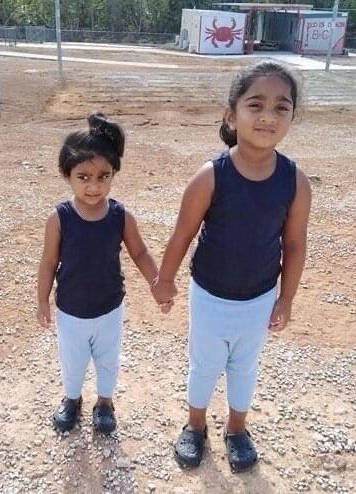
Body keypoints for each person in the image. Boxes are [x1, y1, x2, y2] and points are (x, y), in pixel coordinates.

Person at [152, 62, 311, 472]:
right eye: (255, 104)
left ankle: (237, 429)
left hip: (258, 298)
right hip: (209, 295)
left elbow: (294, 244)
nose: (267, 116)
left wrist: (286, 299)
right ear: (231, 116)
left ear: (292, 117)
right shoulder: (210, 177)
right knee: (204, 364)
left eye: (281, 107)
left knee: (245, 366)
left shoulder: (295, 182)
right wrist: (164, 280)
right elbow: (182, 235)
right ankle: (195, 425)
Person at [37, 112, 168, 434]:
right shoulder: (60, 218)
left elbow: (140, 252)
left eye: (103, 176)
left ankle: (105, 403)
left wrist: (157, 283)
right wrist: (42, 301)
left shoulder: (121, 216)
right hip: (71, 309)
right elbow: (48, 262)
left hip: (110, 307)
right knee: (73, 361)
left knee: (108, 359)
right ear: (65, 175)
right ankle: (72, 399)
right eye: (83, 177)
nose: (94, 186)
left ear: (113, 174)